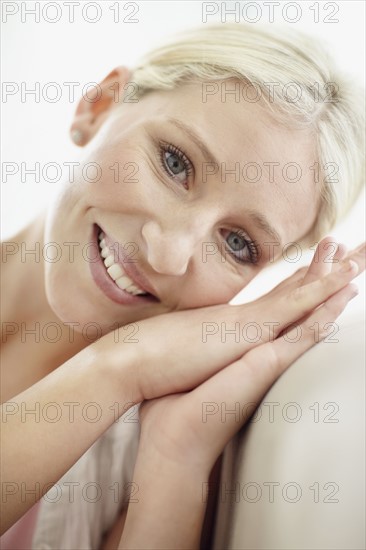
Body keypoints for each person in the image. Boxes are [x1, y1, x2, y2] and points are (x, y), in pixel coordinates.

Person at [1, 23, 365, 549]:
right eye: (176, 164)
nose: (167, 254)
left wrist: (178, 455)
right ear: (97, 106)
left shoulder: (147, 450)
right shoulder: (128, 376)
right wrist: (116, 369)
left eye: (237, 243)